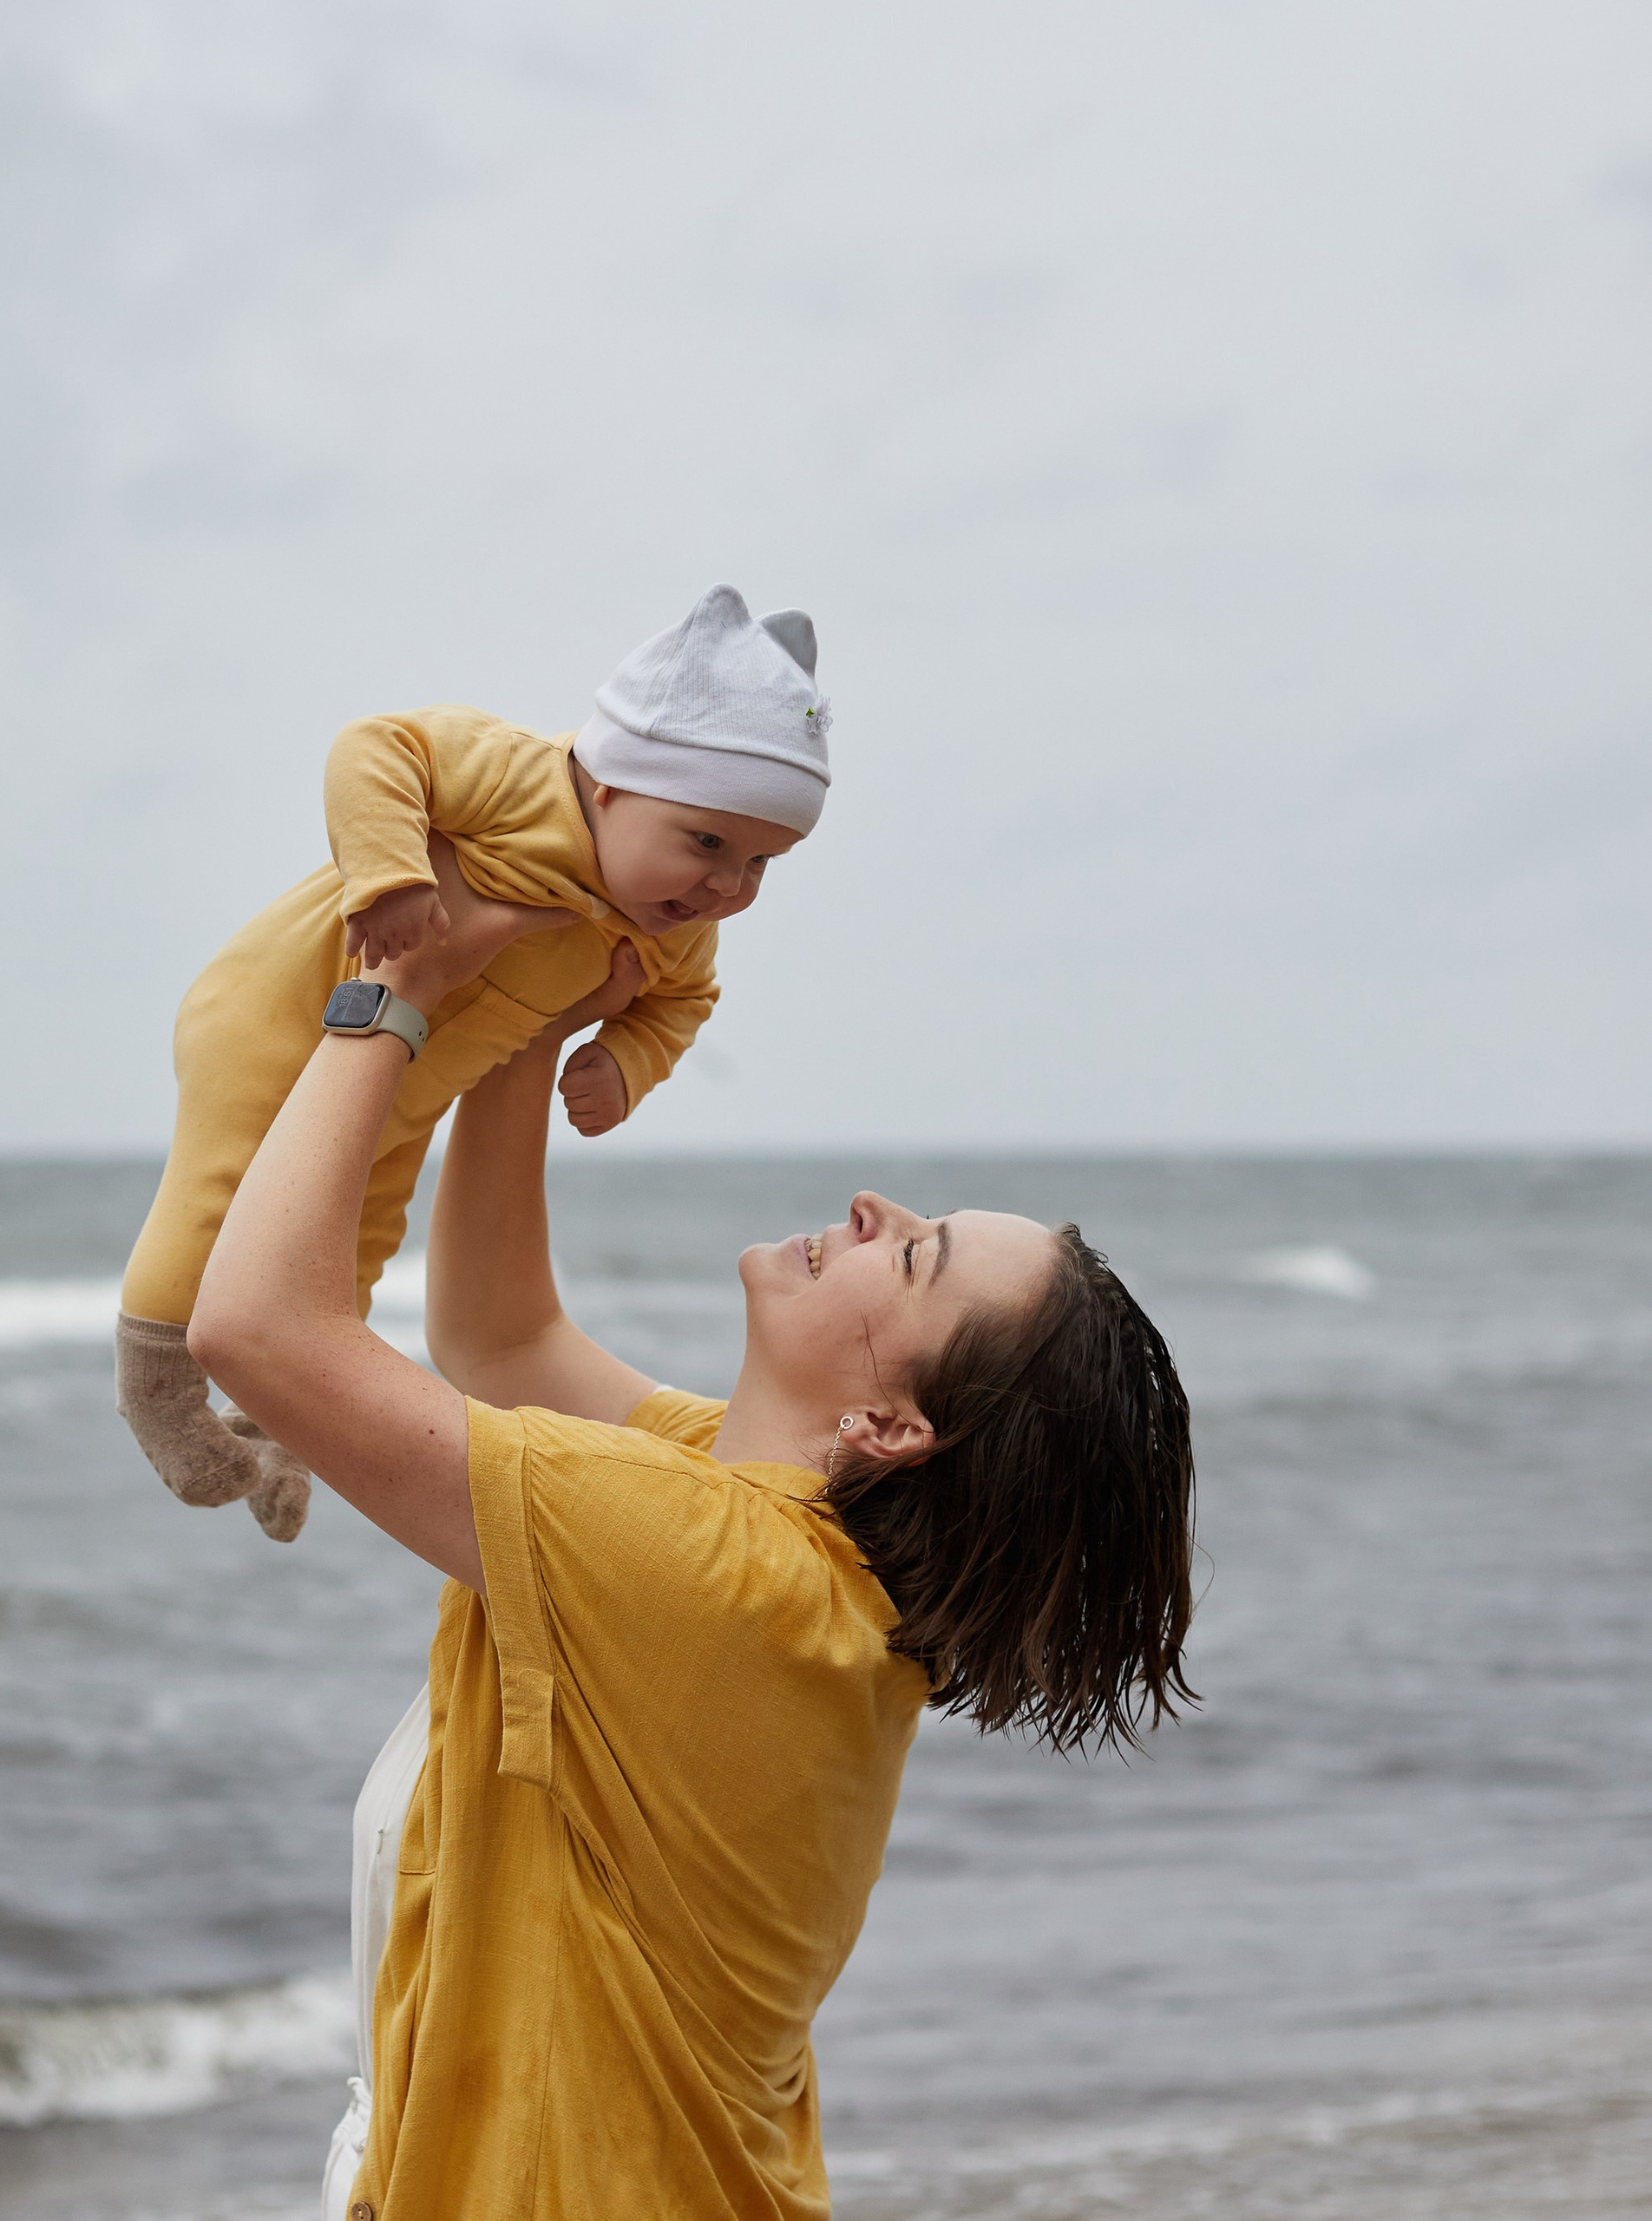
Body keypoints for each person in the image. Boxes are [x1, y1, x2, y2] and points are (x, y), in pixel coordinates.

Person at [186, 860, 1198, 2220]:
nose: (870, 1209)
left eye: (912, 1258)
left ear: (892, 1426)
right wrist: (535, 1019)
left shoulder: (709, 1571)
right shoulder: (773, 1542)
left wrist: (392, 996)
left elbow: (254, 1330)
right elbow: (496, 1337)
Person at [117, 583, 831, 1540]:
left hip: (406, 1081)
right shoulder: (517, 780)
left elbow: (682, 1004)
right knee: (221, 1188)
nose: (723, 886)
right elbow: (376, 748)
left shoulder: (675, 933)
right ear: (612, 784)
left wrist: (621, 1060)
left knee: (351, 1241)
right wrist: (389, 874)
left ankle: (282, 1423)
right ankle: (157, 1388)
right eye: (706, 842)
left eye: (757, 865)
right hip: (282, 1020)